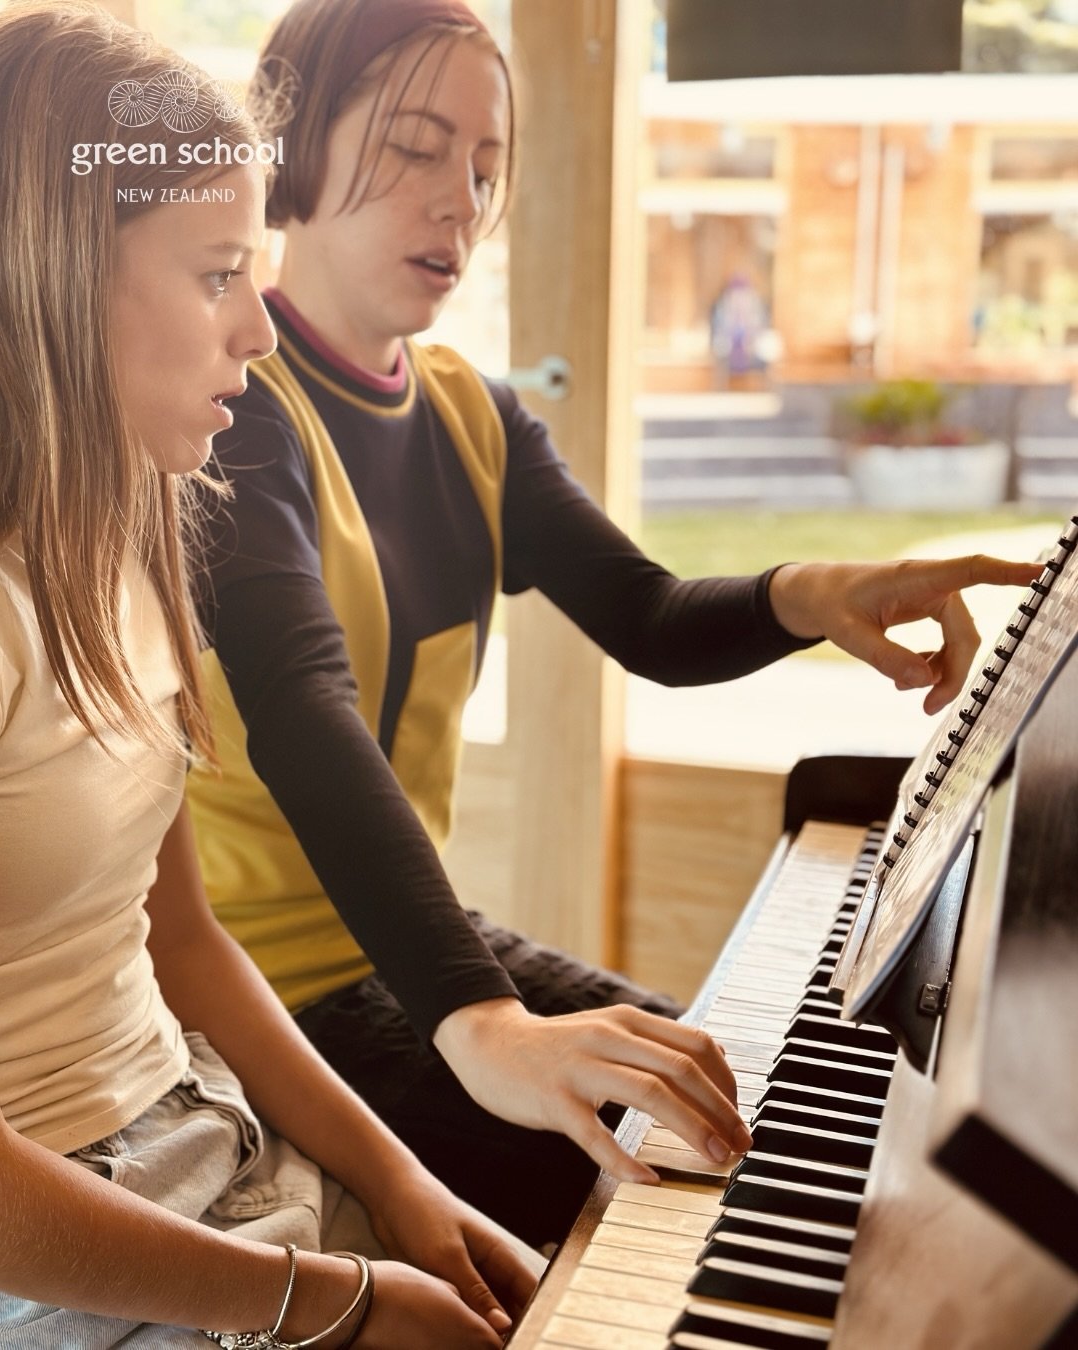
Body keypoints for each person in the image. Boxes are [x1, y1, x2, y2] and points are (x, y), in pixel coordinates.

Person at [187, 0, 1040, 1251]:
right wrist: (483, 1020)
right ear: (292, 143)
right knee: (672, 1198)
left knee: (736, 1103)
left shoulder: (469, 413)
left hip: (411, 947)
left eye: (485, 169)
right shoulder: (230, 413)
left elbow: (648, 616)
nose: (461, 202)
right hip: (264, 991)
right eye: (419, 148)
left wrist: (813, 591)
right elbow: (306, 710)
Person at [0, 6, 538, 1347]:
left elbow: (179, 939)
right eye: (216, 273)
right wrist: (336, 1303)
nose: (257, 327)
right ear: (55, 277)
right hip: (54, 1245)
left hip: (205, 1130)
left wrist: (401, 1186)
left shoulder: (138, 525)